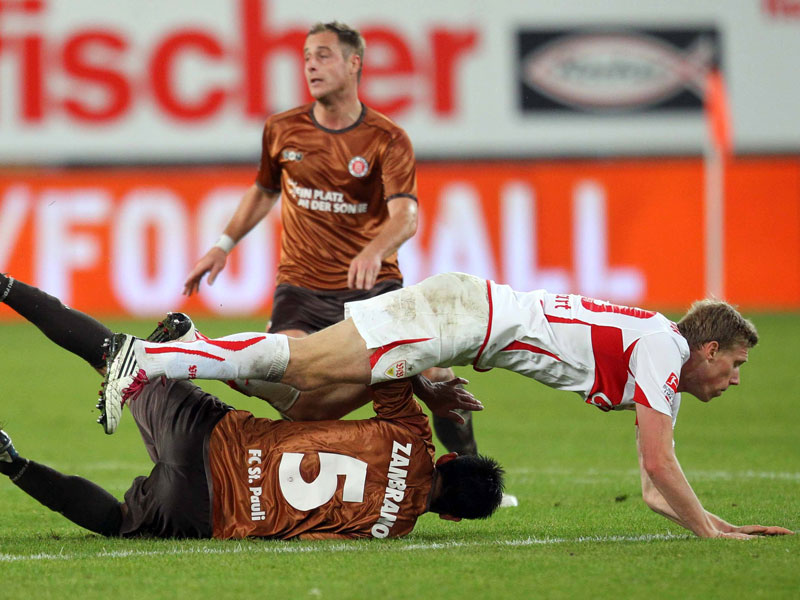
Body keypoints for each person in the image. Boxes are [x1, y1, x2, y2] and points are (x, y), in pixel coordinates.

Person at [109, 271, 795, 540]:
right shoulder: (662, 352)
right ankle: (145, 360)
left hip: (465, 322)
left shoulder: (655, 345)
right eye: (736, 364)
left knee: (309, 400)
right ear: (707, 352)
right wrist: (713, 536)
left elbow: (651, 491)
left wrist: (722, 528)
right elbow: (658, 460)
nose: (735, 379)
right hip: (464, 318)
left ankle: (187, 346)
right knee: (299, 361)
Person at [0, 274, 504, 539]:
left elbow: (387, 365)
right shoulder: (389, 529)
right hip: (212, 510)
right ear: (452, 519)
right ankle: (10, 462)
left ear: (448, 458)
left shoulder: (412, 432)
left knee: (112, 354)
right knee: (115, 522)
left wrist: (427, 389)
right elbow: (310, 539)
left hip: (210, 437)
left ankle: (6, 287)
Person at [180, 20, 478, 459]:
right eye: (305, 58)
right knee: (293, 385)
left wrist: (374, 250)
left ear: (354, 63)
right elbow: (265, 190)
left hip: (371, 288)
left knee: (437, 374)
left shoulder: (386, 138)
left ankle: (468, 468)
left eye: (323, 55)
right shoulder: (282, 129)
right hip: (301, 287)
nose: (311, 66)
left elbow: (407, 216)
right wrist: (222, 245)